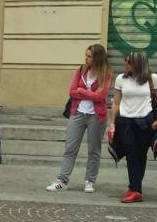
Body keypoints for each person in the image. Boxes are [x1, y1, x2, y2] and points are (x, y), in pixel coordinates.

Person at [47, 44, 112, 193]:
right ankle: (62, 180)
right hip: (77, 113)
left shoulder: (106, 73)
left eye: (89, 56)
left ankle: (90, 181)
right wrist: (88, 93)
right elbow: (71, 92)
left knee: (94, 150)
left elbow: (101, 96)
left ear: (97, 58)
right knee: (70, 148)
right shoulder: (81, 70)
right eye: (86, 55)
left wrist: (82, 91)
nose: (86, 58)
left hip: (96, 116)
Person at [109, 51, 157, 203]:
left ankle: (134, 187)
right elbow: (116, 103)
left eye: (128, 62)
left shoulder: (152, 78)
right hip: (125, 122)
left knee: (141, 155)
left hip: (146, 122)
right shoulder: (121, 79)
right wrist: (112, 122)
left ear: (137, 64)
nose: (125, 64)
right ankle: (136, 190)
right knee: (131, 154)